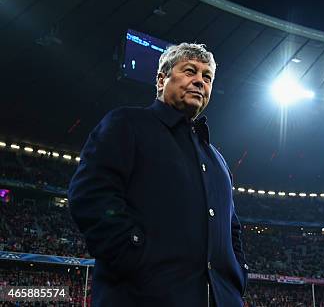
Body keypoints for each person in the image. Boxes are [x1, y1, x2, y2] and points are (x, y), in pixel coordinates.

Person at [68, 43, 248, 306]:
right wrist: (133, 255)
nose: (200, 81)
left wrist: (238, 275)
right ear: (161, 79)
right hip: (142, 296)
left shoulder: (217, 160)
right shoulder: (127, 124)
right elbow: (90, 195)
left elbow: (232, 228)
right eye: (190, 71)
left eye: (207, 77)